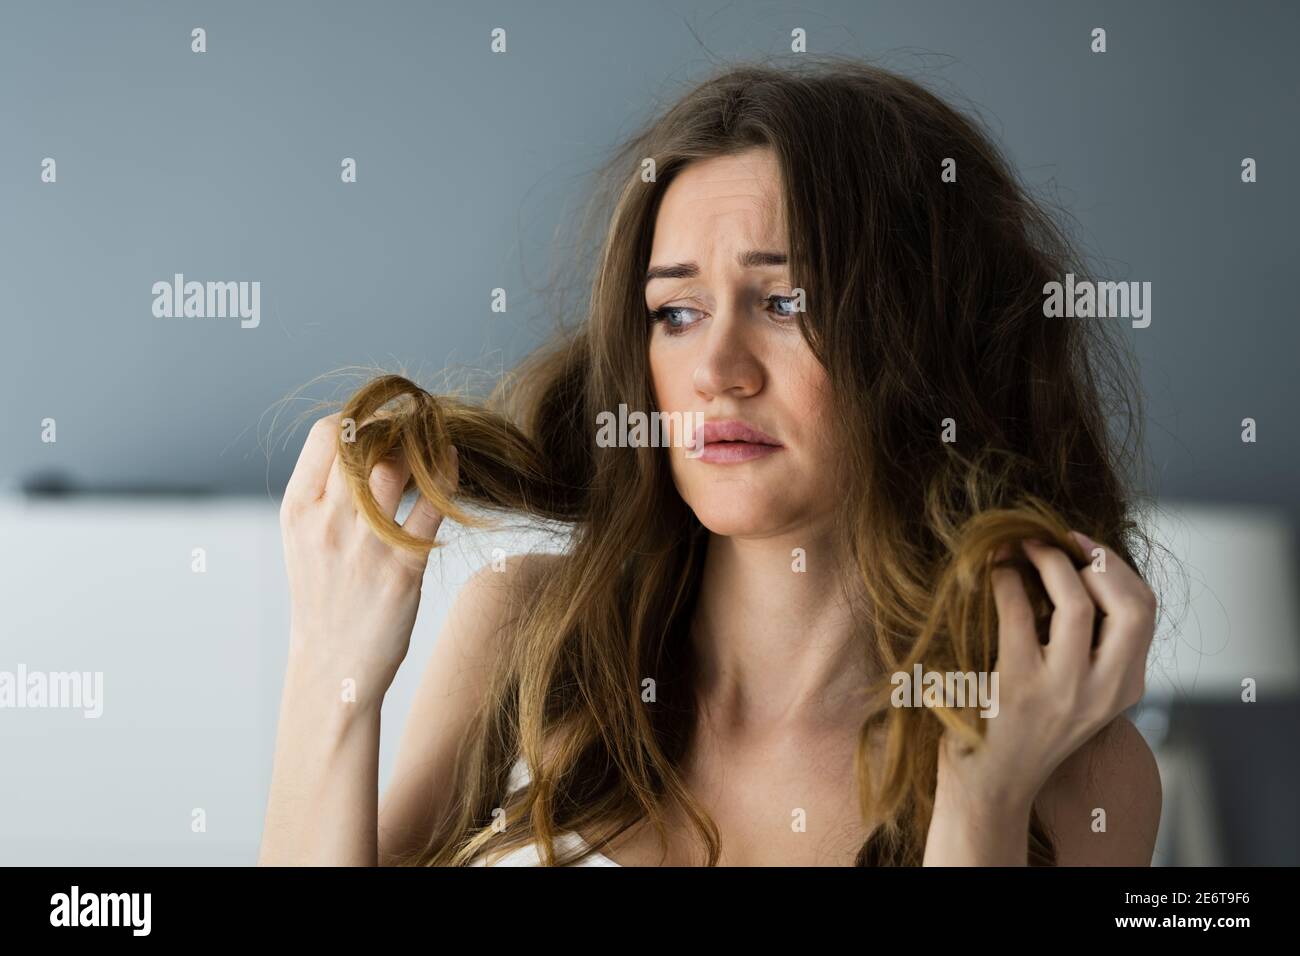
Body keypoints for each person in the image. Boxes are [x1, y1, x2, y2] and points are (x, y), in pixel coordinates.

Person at [257, 56, 1162, 867]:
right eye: (677, 314)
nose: (717, 373)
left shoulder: (1075, 772)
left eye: (783, 302)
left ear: (923, 346)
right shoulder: (529, 639)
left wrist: (983, 796)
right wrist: (331, 668)